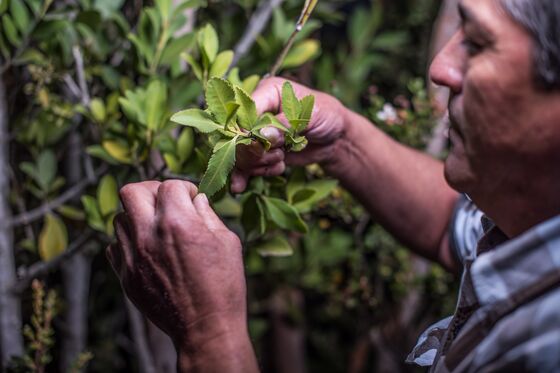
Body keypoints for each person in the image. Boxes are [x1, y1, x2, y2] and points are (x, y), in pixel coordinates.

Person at [106, 0, 560, 371]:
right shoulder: (535, 214)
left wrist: (209, 336)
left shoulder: (546, 347)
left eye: (478, 43)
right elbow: (452, 224)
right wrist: (343, 141)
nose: (441, 68)